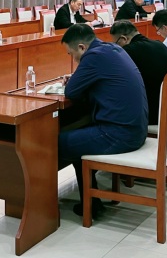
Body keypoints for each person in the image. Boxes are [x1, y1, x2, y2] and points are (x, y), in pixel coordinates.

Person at [59, 24, 148, 219]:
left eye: (71, 54)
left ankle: (46, 206)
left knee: (54, 143)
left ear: (82, 47)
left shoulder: (93, 57)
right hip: (137, 129)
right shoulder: (112, 48)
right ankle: (91, 202)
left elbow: (71, 91)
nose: (73, 59)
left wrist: (77, 78)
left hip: (119, 135)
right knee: (77, 138)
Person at [110, 20, 167, 125]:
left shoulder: (128, 51)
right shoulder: (159, 44)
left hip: (153, 114)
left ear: (124, 39)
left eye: (116, 43)